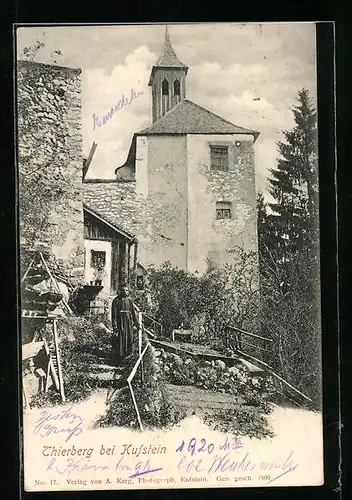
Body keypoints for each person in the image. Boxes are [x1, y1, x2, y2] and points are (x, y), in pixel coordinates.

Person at [111, 284, 139, 365]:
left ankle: (128, 357)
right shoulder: (116, 300)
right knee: (120, 339)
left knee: (129, 338)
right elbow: (114, 315)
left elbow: (133, 313)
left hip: (128, 323)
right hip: (120, 323)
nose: (125, 292)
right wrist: (115, 326)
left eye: (126, 290)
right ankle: (119, 359)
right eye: (123, 290)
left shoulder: (129, 300)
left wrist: (137, 324)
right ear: (120, 291)